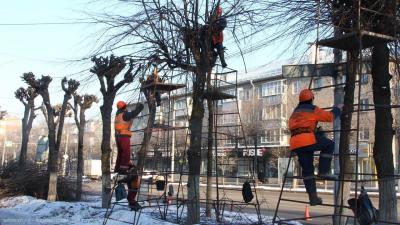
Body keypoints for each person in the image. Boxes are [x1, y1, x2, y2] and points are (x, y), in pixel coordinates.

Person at [288, 89, 341, 205]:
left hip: (296, 143)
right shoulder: (312, 109)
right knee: (329, 144)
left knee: (307, 171)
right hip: (306, 139)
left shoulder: (295, 112)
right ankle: (323, 171)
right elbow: (329, 117)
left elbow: (299, 127)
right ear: (311, 99)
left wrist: (315, 132)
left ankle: (313, 198)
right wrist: (337, 109)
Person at [114, 100, 144, 174]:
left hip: (118, 136)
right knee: (126, 153)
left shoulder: (118, 115)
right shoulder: (125, 115)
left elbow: (130, 114)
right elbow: (133, 114)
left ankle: (118, 168)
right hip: (124, 135)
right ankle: (123, 169)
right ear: (124, 106)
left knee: (120, 152)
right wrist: (140, 107)